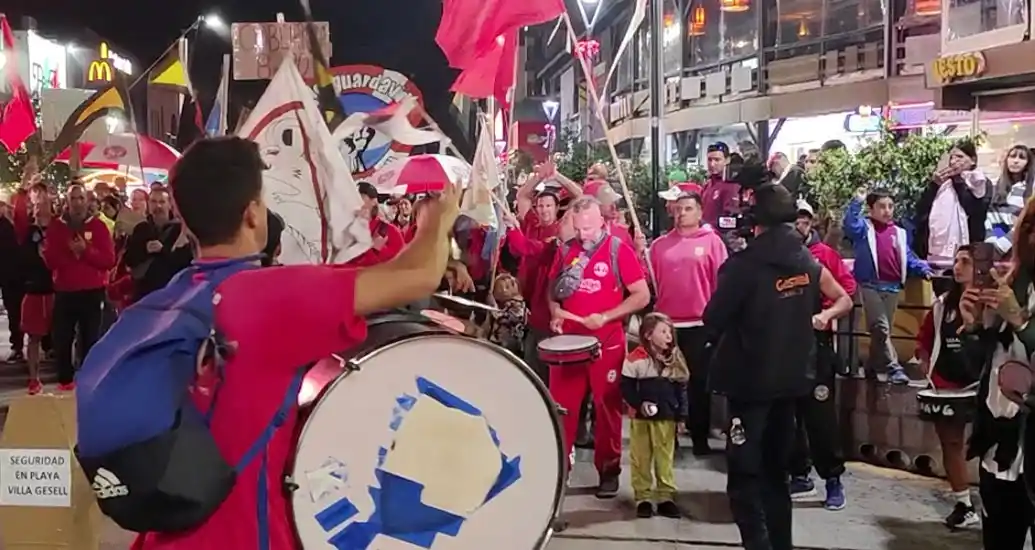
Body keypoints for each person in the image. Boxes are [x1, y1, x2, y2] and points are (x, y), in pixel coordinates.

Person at [129, 136, 459, 550]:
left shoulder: (165, 299)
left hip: (163, 535)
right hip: (241, 537)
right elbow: (420, 274)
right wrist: (436, 219)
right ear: (252, 215)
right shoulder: (271, 296)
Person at [703, 183, 854, 550]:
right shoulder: (807, 262)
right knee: (776, 474)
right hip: (792, 383)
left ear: (756, 223)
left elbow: (713, 318)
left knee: (744, 477)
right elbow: (840, 298)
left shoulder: (743, 266)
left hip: (751, 385)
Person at [547, 196, 650, 498]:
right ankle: (560, 468)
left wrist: (606, 316)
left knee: (607, 408)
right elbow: (553, 291)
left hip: (607, 343)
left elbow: (641, 295)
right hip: (567, 344)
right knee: (562, 409)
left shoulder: (619, 250)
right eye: (578, 229)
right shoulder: (566, 250)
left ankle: (609, 470)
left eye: (588, 229)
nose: (583, 235)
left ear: (602, 222)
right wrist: (555, 313)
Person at [916, 245, 990, 529]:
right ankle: (964, 503)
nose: (958, 267)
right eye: (956, 261)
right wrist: (925, 362)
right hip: (947, 385)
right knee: (951, 443)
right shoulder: (942, 304)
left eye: (965, 262)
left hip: (983, 384)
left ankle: (998, 501)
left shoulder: (992, 302)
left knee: (990, 447)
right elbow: (924, 339)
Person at [647, 190, 726, 455]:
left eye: (688, 208)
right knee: (666, 383)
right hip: (666, 325)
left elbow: (721, 283)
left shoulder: (713, 243)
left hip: (699, 323)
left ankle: (700, 437)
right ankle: (669, 436)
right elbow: (649, 281)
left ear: (700, 211)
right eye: (678, 209)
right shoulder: (659, 246)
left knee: (699, 384)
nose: (682, 214)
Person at [789, 201, 856, 509]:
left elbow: (846, 297)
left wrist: (825, 316)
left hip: (816, 351)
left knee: (820, 419)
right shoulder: (770, 265)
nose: (798, 228)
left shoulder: (817, 262)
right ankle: (799, 475)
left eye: (803, 222)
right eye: (793, 222)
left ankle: (832, 479)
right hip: (783, 352)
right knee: (788, 419)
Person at [843, 188, 933, 384]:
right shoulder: (864, 229)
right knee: (881, 328)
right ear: (872, 209)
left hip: (892, 287)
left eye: (890, 206)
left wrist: (922, 268)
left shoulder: (899, 233)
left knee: (880, 332)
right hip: (870, 285)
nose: (887, 211)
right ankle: (894, 368)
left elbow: (907, 257)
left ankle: (871, 366)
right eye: (882, 206)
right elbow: (849, 225)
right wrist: (856, 202)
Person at [43, 184, 116, 390]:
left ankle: (90, 381)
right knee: (62, 338)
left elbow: (109, 260)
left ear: (87, 201)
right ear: (67, 202)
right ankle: (65, 381)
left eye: (81, 198)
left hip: (92, 292)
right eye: (73, 198)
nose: (77, 203)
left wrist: (86, 251)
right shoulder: (57, 227)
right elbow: (49, 261)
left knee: (91, 337)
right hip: (65, 291)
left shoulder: (99, 227)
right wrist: (70, 253)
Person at [620, 312, 689, 519]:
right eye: (663, 331)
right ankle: (643, 497)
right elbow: (627, 387)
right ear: (649, 335)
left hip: (666, 418)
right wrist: (638, 405)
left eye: (670, 332)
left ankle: (665, 496)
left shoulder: (675, 360)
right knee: (641, 457)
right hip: (641, 419)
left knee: (664, 457)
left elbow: (681, 389)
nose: (669, 336)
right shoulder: (635, 359)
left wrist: (681, 417)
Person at [914, 139, 991, 264]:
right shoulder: (943, 181)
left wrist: (958, 180)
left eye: (960, 157)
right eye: (951, 157)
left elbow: (974, 209)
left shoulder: (980, 182)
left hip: (969, 248)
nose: (954, 161)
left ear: (973, 160)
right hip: (936, 250)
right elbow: (922, 209)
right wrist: (934, 185)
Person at [122, 187, 194, 301]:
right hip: (143, 292)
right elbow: (128, 259)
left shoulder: (180, 230)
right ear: (148, 204)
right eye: (154, 202)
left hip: (171, 292)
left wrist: (163, 250)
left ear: (170, 204)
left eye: (162, 202)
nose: (158, 206)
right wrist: (144, 250)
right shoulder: (141, 228)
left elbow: (186, 262)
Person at [20, 189, 55, 394]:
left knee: (63, 335)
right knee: (33, 337)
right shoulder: (29, 232)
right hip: (34, 291)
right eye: (37, 204)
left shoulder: (59, 229)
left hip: (56, 290)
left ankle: (66, 374)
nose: (40, 208)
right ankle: (34, 379)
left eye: (44, 204)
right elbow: (23, 259)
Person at [985, 144, 1033, 258]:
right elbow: (994, 219)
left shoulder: (1030, 190)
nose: (1016, 161)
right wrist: (996, 243)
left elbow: (1024, 224)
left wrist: (1004, 243)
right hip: (998, 249)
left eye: (1021, 158)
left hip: (1022, 249)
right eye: (1012, 156)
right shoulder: (998, 186)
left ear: (1028, 164)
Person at [346, 181, 404, 267]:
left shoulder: (390, 231)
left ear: (373, 201)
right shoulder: (346, 231)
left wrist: (381, 250)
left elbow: (402, 264)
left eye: (359, 196)